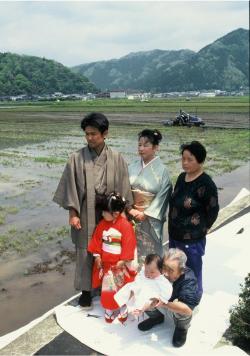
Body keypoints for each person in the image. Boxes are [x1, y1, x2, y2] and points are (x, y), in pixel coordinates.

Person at [53, 112, 133, 309]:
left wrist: (121, 214)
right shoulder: (76, 158)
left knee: (111, 247)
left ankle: (110, 286)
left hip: (111, 213)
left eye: (93, 134)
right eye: (86, 134)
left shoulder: (117, 158)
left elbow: (123, 187)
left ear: (105, 133)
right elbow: (70, 188)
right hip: (86, 211)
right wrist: (73, 213)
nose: (89, 138)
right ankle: (86, 291)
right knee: (85, 249)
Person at [168, 141, 219, 298]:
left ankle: (193, 297)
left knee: (192, 268)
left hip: (192, 238)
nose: (185, 163)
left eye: (190, 159)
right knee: (175, 267)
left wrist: (204, 228)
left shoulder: (206, 183)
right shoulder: (182, 177)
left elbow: (213, 209)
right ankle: (177, 293)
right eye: (183, 159)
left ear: (200, 160)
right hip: (175, 234)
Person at [88, 192, 137, 323]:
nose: (102, 214)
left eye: (105, 212)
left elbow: (129, 243)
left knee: (121, 288)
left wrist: (123, 260)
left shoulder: (125, 226)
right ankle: (109, 308)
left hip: (119, 265)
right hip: (107, 265)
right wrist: (97, 256)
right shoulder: (102, 225)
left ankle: (123, 307)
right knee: (108, 289)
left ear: (115, 213)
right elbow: (97, 240)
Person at [137, 248, 200, 348]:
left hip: (174, 305)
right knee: (144, 294)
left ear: (181, 271)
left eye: (170, 270)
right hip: (162, 301)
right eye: (164, 267)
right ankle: (156, 318)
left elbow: (187, 310)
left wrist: (163, 302)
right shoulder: (159, 268)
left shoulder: (189, 280)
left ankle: (181, 328)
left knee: (181, 309)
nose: (165, 273)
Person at [128, 129, 172, 262]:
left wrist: (144, 214)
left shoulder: (163, 171)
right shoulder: (132, 167)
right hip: (131, 215)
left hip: (150, 219)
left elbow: (163, 196)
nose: (141, 148)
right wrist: (129, 208)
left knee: (149, 255)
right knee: (131, 253)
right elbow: (125, 189)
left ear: (155, 148)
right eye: (139, 145)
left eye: (146, 145)